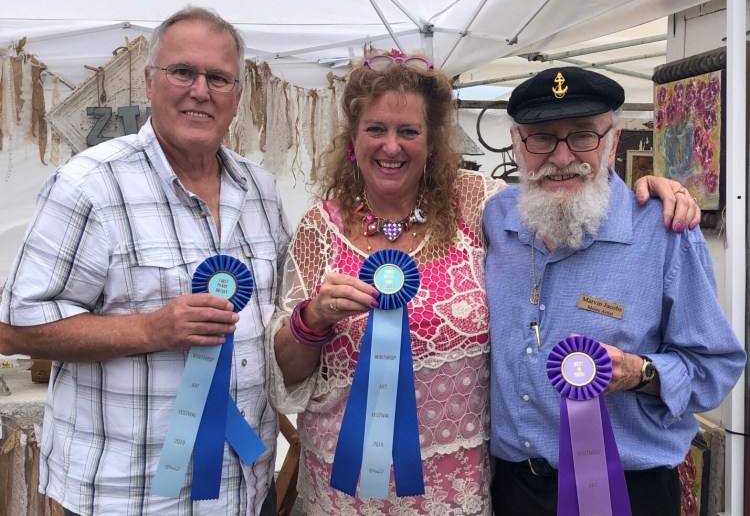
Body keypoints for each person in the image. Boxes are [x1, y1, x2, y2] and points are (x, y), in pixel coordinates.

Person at [266, 52, 700, 515]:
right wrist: (312, 319)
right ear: (353, 138)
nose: (391, 146)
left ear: (431, 141)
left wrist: (651, 188)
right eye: (376, 129)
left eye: (409, 131)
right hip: (348, 480)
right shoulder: (319, 228)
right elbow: (286, 375)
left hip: (459, 484)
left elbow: (561, 187)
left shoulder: (478, 205)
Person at [0, 6, 290, 516]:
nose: (200, 90)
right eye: (183, 72)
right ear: (150, 81)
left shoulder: (261, 189)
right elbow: (11, 328)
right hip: (129, 495)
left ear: (237, 98)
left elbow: (278, 318)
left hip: (245, 486)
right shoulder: (89, 185)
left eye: (218, 78)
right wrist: (150, 330)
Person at [483, 66, 746, 516]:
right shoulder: (495, 218)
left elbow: (714, 369)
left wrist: (639, 373)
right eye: (542, 138)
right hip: (511, 491)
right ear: (516, 143)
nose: (562, 157)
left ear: (612, 141)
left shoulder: (666, 233)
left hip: (622, 492)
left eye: (583, 135)